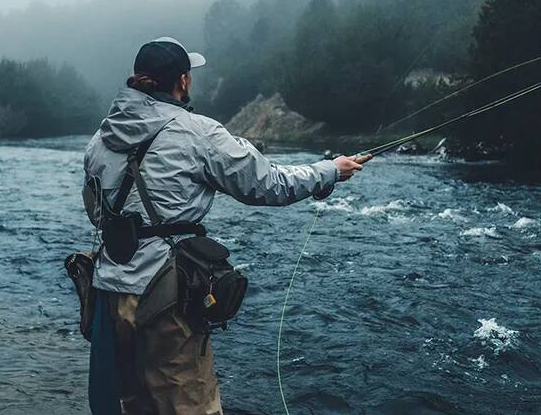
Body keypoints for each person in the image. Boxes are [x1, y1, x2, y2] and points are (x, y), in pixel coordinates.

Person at [81, 37, 371, 414]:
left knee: (135, 403)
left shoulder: (101, 138)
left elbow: (96, 211)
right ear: (183, 80)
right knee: (191, 405)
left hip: (109, 291)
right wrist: (329, 170)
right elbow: (269, 184)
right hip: (163, 293)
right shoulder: (199, 132)